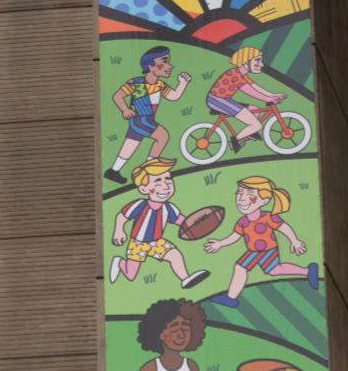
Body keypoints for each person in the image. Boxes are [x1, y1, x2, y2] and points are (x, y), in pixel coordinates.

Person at [204, 173, 318, 307]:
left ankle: (231, 298)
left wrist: (294, 240)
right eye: (239, 193)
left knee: (241, 267)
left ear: (265, 200)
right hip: (255, 250)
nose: (241, 198)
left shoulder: (268, 217)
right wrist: (220, 243)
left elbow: (283, 227)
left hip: (266, 250)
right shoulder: (242, 222)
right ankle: (308, 271)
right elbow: (235, 236)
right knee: (274, 270)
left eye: (250, 194)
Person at [111, 160, 209, 289]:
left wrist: (198, 224)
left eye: (168, 179)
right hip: (138, 243)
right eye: (158, 181)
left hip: (157, 242)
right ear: (144, 189)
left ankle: (185, 278)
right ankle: (120, 262)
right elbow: (122, 216)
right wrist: (119, 231)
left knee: (175, 255)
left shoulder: (169, 208)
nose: (166, 185)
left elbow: (182, 221)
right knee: (130, 275)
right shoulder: (140, 204)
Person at [106, 46, 190, 181]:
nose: (170, 66)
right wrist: (125, 110)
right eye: (165, 61)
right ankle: (149, 169)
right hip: (140, 119)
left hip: (147, 119)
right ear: (150, 66)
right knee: (162, 136)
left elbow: (174, 96)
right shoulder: (136, 83)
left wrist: (183, 83)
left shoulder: (160, 85)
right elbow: (118, 96)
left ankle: (113, 171)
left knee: (130, 145)